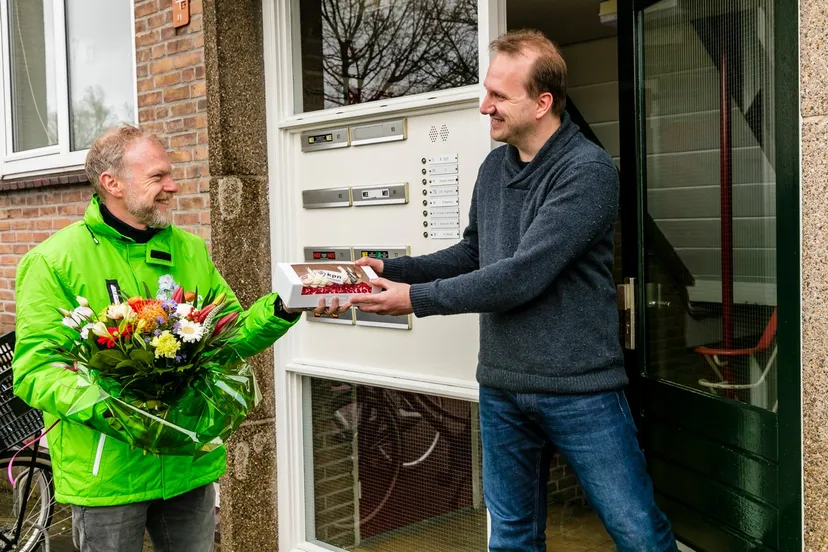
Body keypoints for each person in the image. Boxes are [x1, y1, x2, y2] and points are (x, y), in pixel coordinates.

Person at [349, 30, 678, 551]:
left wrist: (414, 300)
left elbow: (522, 274)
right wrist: (395, 269)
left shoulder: (587, 171)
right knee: (511, 537)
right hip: (503, 386)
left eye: (499, 96)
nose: (485, 107)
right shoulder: (493, 168)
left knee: (637, 531)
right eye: (487, 92)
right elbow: (474, 254)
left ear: (543, 102)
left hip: (581, 389)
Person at [12, 124, 340, 552]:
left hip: (188, 463)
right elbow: (37, 371)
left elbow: (229, 337)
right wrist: (126, 415)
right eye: (157, 177)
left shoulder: (189, 250)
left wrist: (282, 308)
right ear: (112, 183)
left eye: (170, 174)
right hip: (108, 471)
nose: (173, 186)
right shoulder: (53, 261)